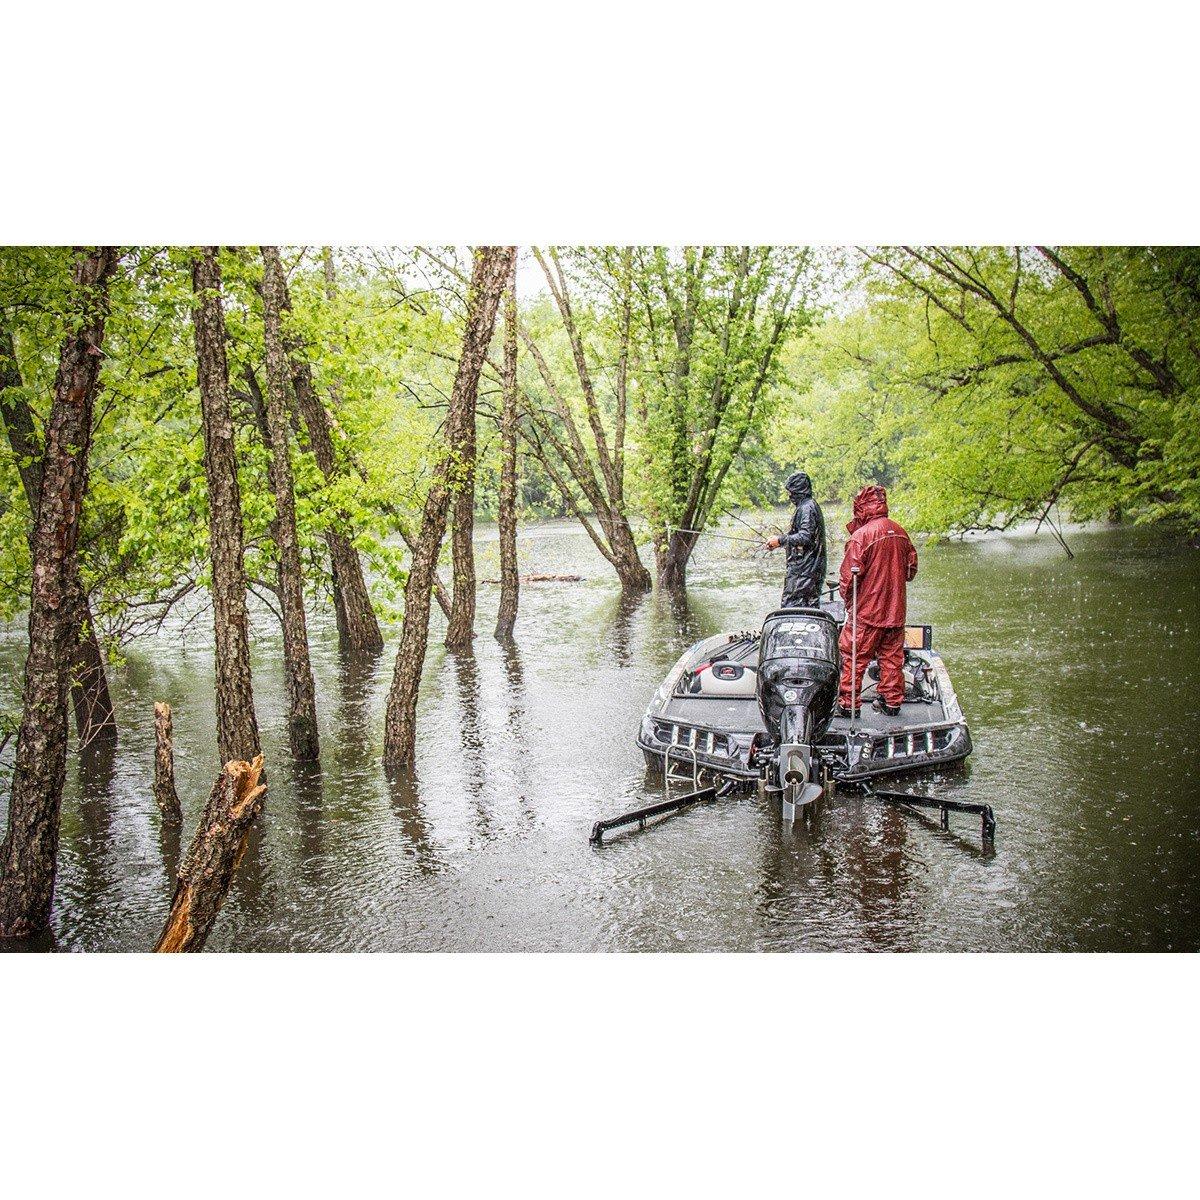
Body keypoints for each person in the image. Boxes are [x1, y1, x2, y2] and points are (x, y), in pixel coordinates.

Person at [834, 484, 917, 718]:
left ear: (861, 507)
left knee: (853, 657)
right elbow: (911, 571)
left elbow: (848, 579)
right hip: (895, 611)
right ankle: (892, 703)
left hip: (867, 611)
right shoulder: (901, 532)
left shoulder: (861, 536)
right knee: (892, 658)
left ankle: (849, 704)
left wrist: (850, 603)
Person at [765, 470, 827, 608]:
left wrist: (780, 540)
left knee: (793, 607)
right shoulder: (806, 506)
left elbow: (805, 536)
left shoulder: (807, 508)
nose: (789, 495)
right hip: (806, 569)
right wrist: (778, 543)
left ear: (798, 490)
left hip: (805, 572)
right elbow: (802, 536)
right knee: (803, 606)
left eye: (791, 492)